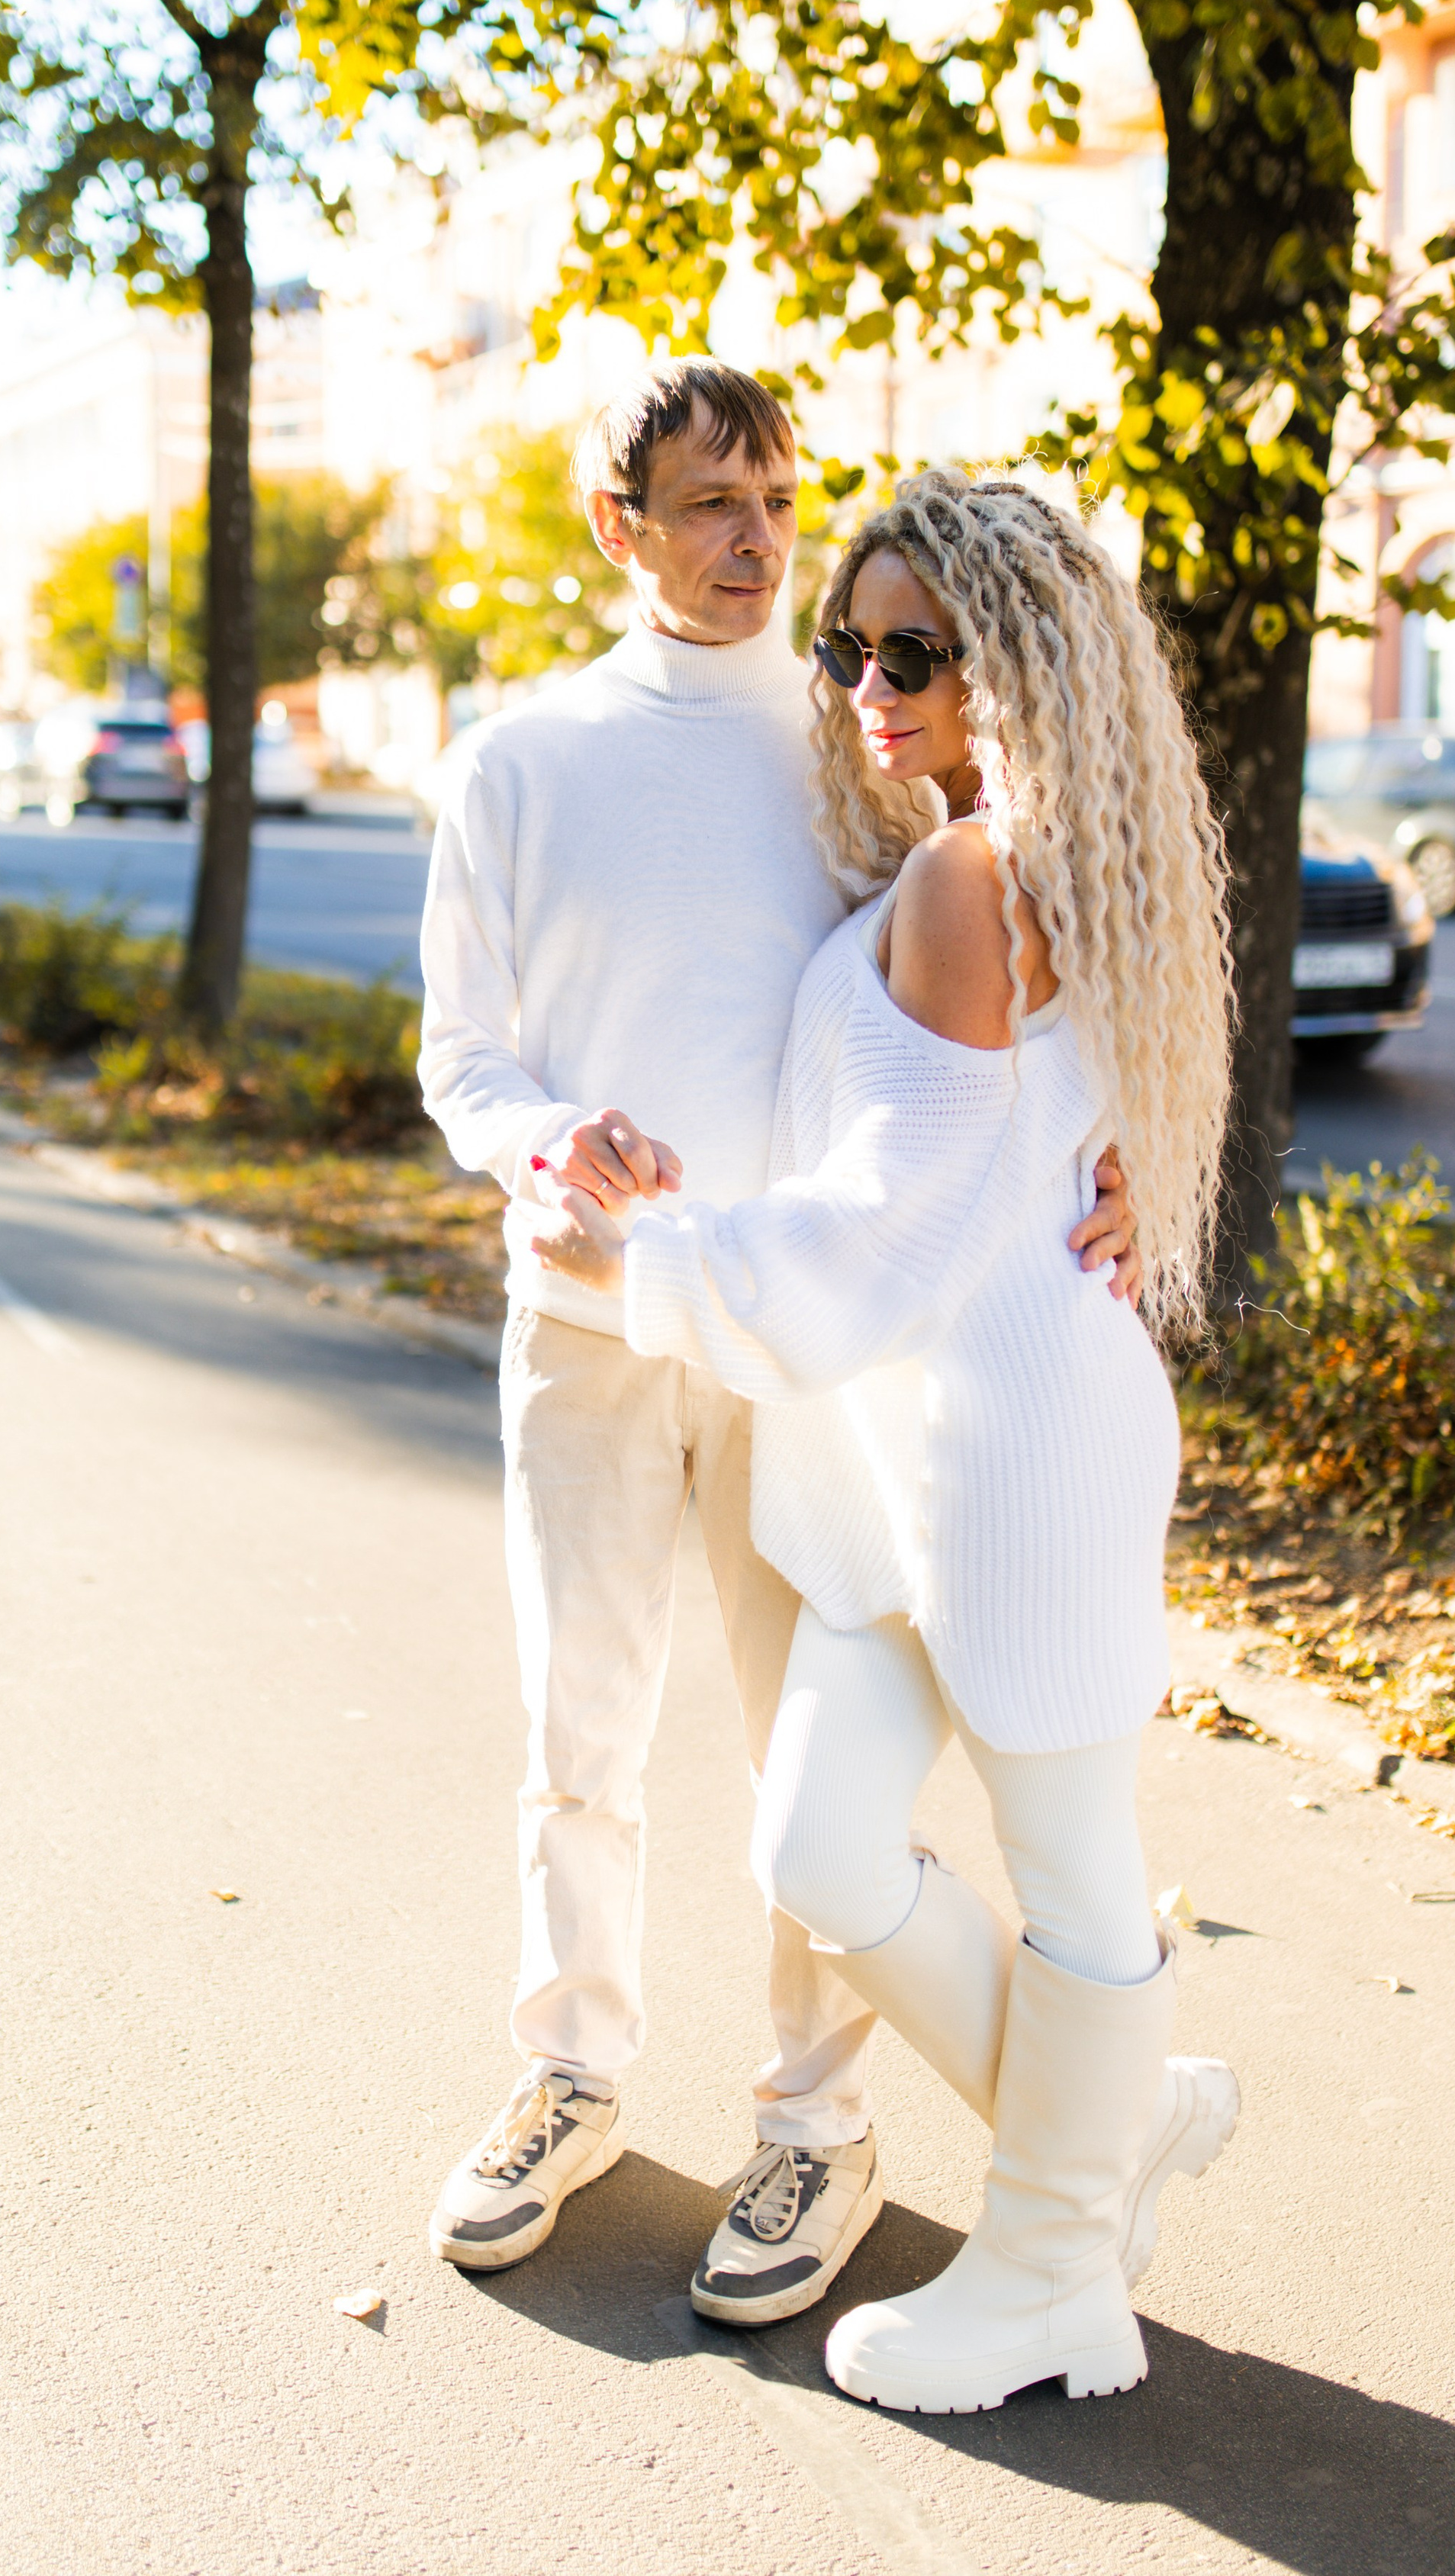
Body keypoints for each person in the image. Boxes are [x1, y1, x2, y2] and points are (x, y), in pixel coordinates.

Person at [417, 367, 1142, 2327]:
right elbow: (459, 1053)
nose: (753, 541)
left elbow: (1049, 959)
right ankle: (568, 2069)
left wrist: (1128, 1158)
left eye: (773, 499)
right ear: (617, 525)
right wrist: (539, 1138)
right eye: (707, 504)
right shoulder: (513, 761)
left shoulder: (855, 743)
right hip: (579, 1321)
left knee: (796, 1765)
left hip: (796, 1358)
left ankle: (812, 2121)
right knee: (576, 1728)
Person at [531, 467, 1241, 2413]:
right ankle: (1117, 2132)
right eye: (848, 646)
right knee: (820, 1837)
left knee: (1073, 1872)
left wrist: (642, 1249)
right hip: (890, 1470)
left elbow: (894, 1227)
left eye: (912, 650)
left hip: (1016, 1452)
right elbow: (983, 1159)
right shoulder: (1006, 859)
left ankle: (1041, 2276)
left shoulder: (970, 875)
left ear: (1015, 661)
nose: (863, 678)